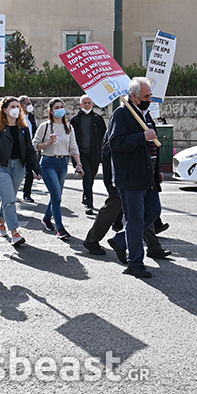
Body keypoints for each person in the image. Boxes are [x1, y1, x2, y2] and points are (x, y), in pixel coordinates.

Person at [106, 78, 164, 278]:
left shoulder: (145, 115)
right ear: (134, 97)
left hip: (148, 176)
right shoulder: (121, 114)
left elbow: (152, 146)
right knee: (135, 220)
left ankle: (122, 240)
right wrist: (141, 137)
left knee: (154, 211)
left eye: (150, 96)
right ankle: (135, 263)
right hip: (131, 177)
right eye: (146, 96)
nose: (150, 100)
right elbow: (115, 143)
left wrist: (157, 169)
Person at [85, 130, 171, 260]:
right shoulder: (121, 122)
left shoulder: (143, 121)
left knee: (142, 210)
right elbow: (111, 149)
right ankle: (92, 239)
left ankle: (154, 246)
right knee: (113, 207)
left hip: (138, 176)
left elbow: (151, 148)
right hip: (124, 177)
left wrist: (156, 170)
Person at [0, 96, 42, 248]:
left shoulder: (23, 128)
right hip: (0, 167)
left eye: (17, 106)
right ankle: (15, 232)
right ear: (5, 110)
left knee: (9, 198)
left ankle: (1, 222)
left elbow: (30, 150)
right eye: (12, 106)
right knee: (9, 200)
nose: (16, 109)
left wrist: (37, 169)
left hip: (19, 167)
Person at [34, 98, 82, 239]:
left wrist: (78, 163)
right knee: (56, 195)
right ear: (50, 110)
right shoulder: (45, 126)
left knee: (57, 194)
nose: (60, 109)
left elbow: (73, 147)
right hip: (48, 162)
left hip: (63, 163)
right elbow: (34, 144)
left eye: (62, 106)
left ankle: (46, 218)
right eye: (56, 107)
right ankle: (60, 228)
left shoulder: (69, 127)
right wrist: (47, 143)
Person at [70, 95, 107, 215]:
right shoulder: (75, 120)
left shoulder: (98, 119)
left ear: (93, 104)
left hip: (95, 154)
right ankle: (89, 204)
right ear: (80, 105)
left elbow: (104, 136)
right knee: (87, 176)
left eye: (89, 103)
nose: (87, 105)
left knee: (91, 177)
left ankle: (85, 196)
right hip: (81, 154)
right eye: (84, 103)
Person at [18, 95, 37, 203]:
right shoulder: (17, 117)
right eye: (28, 104)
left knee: (30, 172)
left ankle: (27, 194)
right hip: (19, 148)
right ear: (22, 105)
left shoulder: (31, 117)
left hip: (29, 148)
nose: (30, 106)